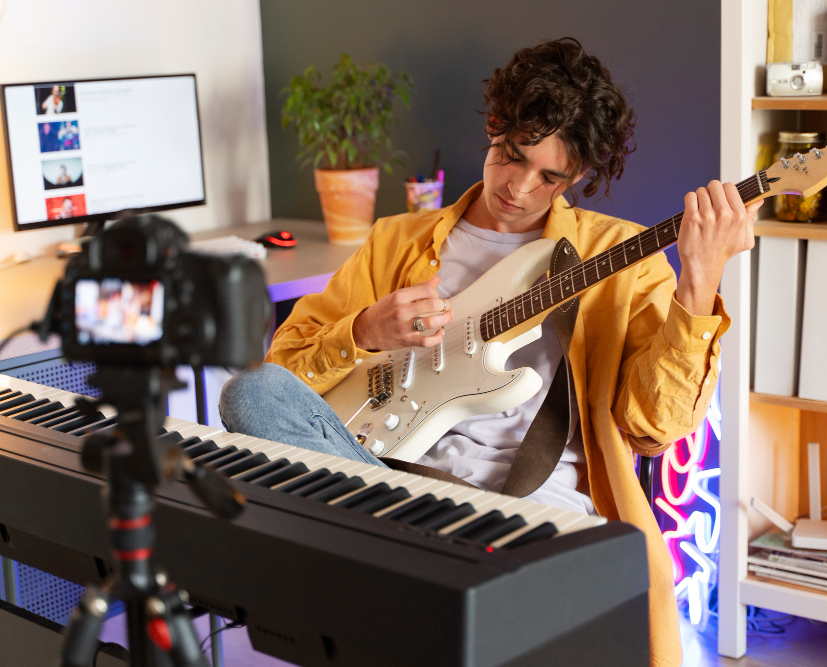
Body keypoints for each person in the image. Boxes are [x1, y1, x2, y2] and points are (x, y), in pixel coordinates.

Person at [220, 37, 758, 666]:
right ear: (495, 128)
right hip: (386, 483)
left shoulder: (621, 258)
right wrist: (363, 330)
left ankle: (405, 583)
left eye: (550, 177)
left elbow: (651, 432)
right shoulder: (397, 238)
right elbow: (283, 376)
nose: (519, 187)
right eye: (511, 156)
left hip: (528, 510)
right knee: (246, 392)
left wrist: (698, 284)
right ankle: (410, 572)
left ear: (576, 175)